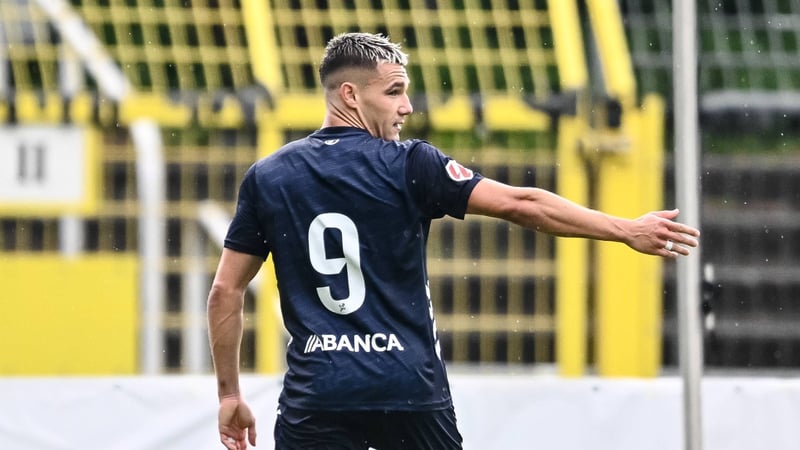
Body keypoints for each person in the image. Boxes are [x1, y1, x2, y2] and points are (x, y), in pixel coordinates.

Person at [207, 32, 700, 450]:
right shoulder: (409, 163)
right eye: (395, 92)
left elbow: (226, 291)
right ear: (351, 95)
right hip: (407, 389)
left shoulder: (269, 176)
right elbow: (521, 203)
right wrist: (626, 229)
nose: (407, 106)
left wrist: (229, 395)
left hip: (318, 396)